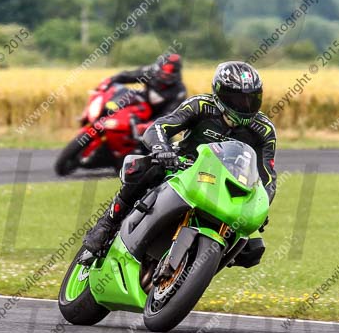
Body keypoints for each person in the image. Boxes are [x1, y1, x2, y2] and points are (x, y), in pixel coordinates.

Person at [83, 61, 277, 265]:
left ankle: (211, 258)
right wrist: (161, 149)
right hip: (184, 165)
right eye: (237, 98)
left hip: (224, 183)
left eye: (251, 99)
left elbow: (267, 176)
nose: (244, 106)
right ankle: (106, 225)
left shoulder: (264, 130)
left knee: (251, 247)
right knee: (145, 168)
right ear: (220, 93)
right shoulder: (201, 105)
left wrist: (262, 205)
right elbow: (159, 127)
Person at [108, 53, 187, 119]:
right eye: (163, 73)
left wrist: (148, 126)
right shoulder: (150, 73)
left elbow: (170, 115)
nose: (165, 76)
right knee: (126, 92)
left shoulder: (180, 91)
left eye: (168, 74)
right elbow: (127, 76)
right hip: (142, 107)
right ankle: (108, 113)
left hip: (157, 121)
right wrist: (110, 81)